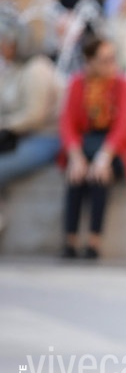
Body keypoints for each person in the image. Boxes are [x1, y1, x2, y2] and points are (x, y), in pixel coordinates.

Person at [58, 35, 126, 259]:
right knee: (76, 176)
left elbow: (124, 126)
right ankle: (70, 239)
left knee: (100, 176)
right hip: (85, 146)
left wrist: (104, 156)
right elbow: (67, 123)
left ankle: (94, 241)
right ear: (90, 62)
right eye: (105, 60)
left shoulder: (123, 84)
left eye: (113, 58)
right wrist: (75, 157)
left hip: (117, 149)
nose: (112, 64)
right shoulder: (78, 83)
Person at [0, 17, 63, 233]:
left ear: (17, 43)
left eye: (4, 43)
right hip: (17, 135)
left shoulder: (37, 69)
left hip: (45, 138)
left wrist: (5, 124)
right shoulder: (13, 69)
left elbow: (35, 116)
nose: (1, 48)